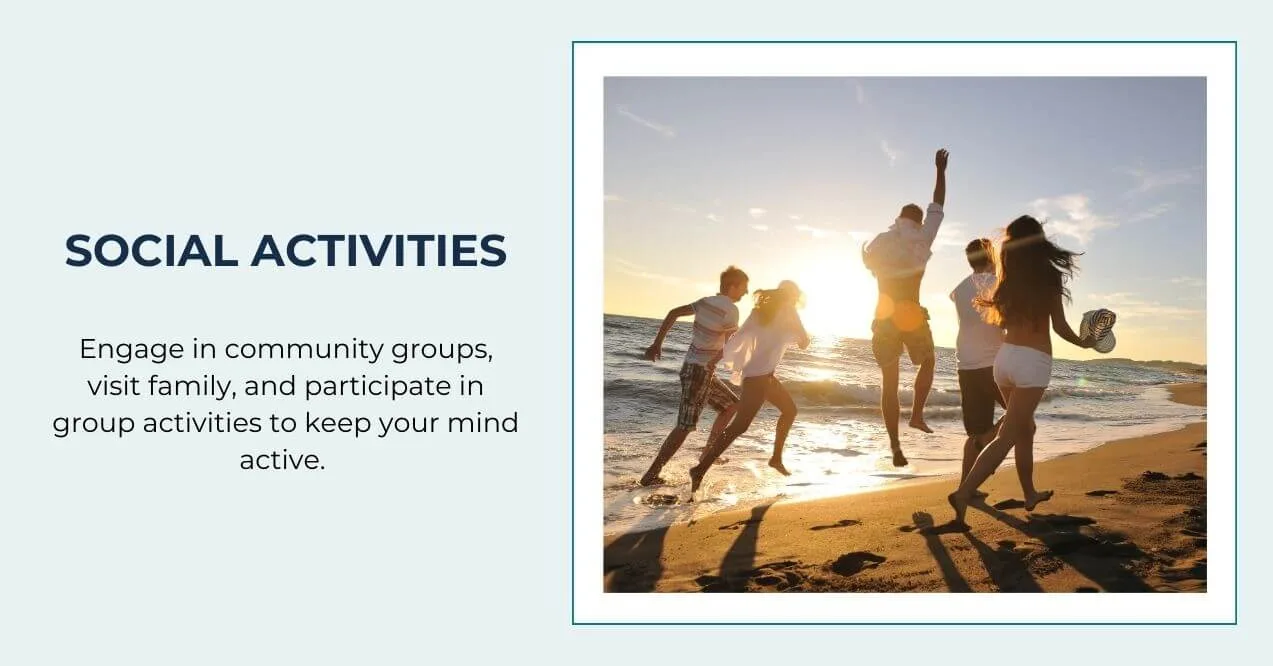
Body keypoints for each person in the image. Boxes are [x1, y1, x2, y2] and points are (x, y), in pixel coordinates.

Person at [945, 216, 1096, 528]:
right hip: (1033, 362)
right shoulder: (1049, 277)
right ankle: (964, 492)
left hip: (1004, 361)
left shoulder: (1006, 278)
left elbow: (1001, 322)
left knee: (1025, 429)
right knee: (1008, 434)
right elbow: (1061, 327)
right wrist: (1084, 343)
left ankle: (1029, 494)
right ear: (1040, 241)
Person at [861, 148, 949, 467]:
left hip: (883, 315)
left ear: (898, 217)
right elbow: (938, 204)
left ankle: (895, 446)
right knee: (928, 361)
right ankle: (916, 415)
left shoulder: (881, 241)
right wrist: (940, 170)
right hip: (910, 313)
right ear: (919, 221)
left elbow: (868, 261)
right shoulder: (922, 238)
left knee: (889, 384)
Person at [688, 281, 810, 495]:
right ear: (791, 296)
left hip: (759, 377)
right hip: (759, 379)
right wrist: (796, 328)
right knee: (739, 427)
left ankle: (775, 458)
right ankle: (700, 469)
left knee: (789, 411)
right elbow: (804, 342)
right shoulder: (788, 311)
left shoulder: (759, 312)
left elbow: (737, 337)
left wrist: (717, 358)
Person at [638, 266, 750, 486]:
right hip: (699, 371)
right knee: (685, 426)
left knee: (730, 406)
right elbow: (730, 345)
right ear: (732, 286)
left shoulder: (704, 302)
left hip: (695, 368)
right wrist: (716, 362)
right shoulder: (730, 310)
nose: (745, 293)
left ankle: (705, 457)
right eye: (744, 288)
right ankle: (650, 475)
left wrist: (657, 343)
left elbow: (673, 313)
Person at [950, 238, 1007, 496]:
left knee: (974, 431)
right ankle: (988, 440)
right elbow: (1004, 322)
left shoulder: (959, 288)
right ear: (990, 256)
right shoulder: (997, 285)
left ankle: (966, 486)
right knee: (1021, 412)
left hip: (966, 365)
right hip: (993, 364)